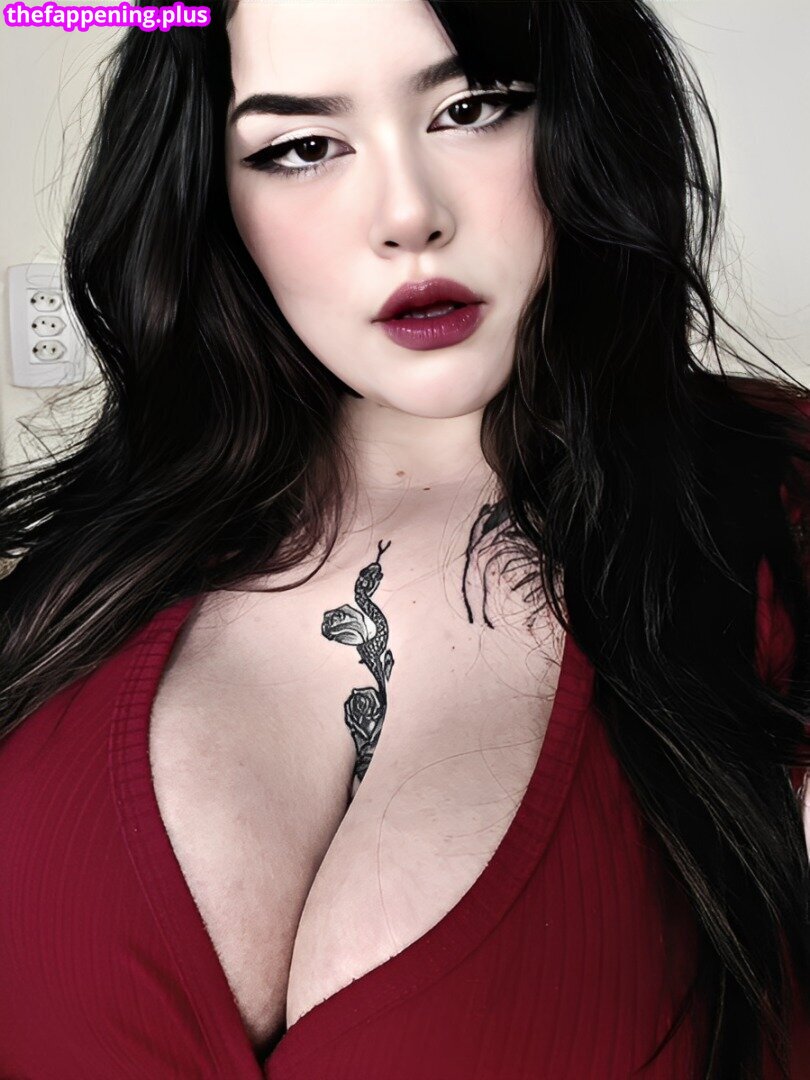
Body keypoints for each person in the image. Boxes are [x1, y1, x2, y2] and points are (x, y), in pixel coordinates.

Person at [0, 1, 808, 1077]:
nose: (407, 215)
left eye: (472, 108)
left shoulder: (774, 508)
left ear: (585, 117)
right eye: (301, 147)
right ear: (211, 191)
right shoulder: (78, 570)